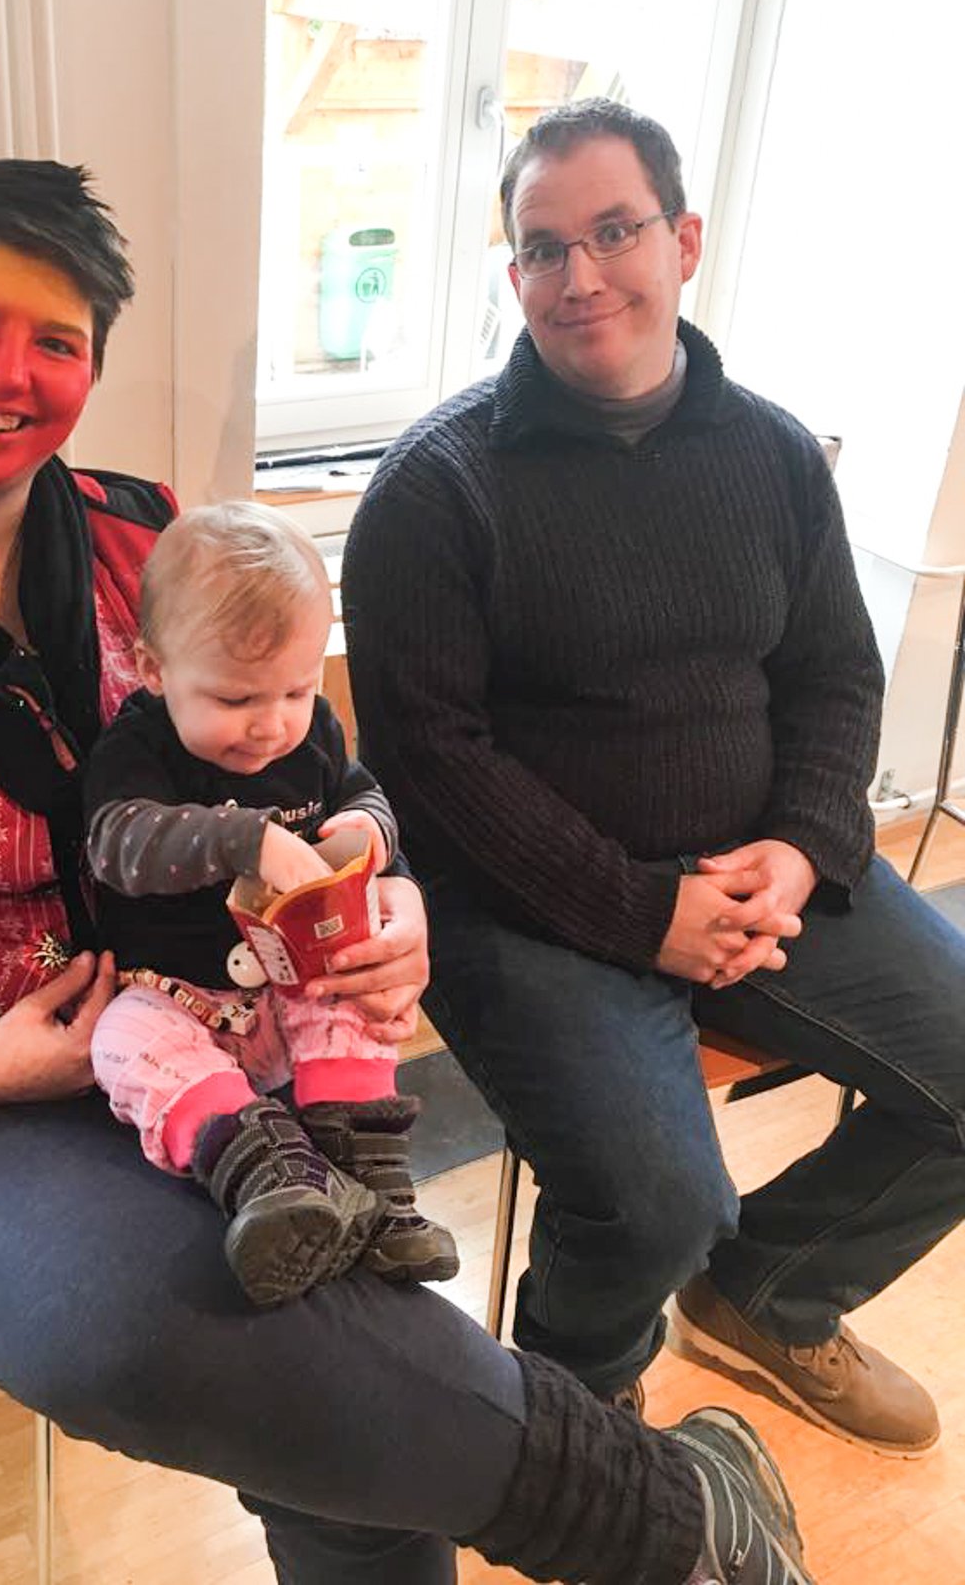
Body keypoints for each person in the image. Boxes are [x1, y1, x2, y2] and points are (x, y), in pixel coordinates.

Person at [0, 155, 817, 1585]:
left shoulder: (152, 541)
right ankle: (670, 1521)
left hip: (216, 1024)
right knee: (144, 1324)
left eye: (56, 340)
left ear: (91, 366)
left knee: (328, 1325)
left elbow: (314, 765)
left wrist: (388, 889)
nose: (8, 371)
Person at [343, 97, 965, 1458]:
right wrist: (643, 912)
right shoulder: (434, 490)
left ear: (682, 242)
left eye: (614, 232)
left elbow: (834, 677)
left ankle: (774, 1292)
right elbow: (430, 766)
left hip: (759, 873)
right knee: (658, 1200)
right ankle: (574, 1433)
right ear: (514, 274)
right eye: (542, 247)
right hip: (532, 910)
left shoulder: (773, 453)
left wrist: (801, 844)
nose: (579, 276)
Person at [84, 499, 459, 1306]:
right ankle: (267, 1174)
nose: (271, 725)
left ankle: (374, 1186)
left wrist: (369, 830)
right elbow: (117, 844)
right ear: (154, 669)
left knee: (354, 992)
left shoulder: (310, 729)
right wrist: (243, 841)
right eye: (235, 701)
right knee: (119, 1042)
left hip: (294, 993)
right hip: (178, 1003)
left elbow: (359, 791)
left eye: (295, 688)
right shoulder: (138, 746)